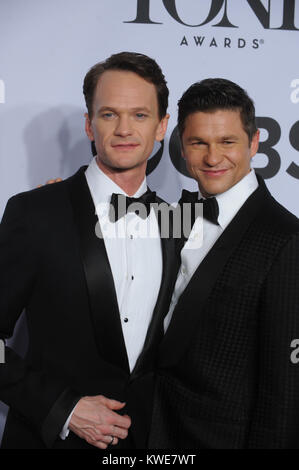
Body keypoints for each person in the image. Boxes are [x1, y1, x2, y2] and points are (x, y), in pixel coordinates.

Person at [0, 52, 175, 449]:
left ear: (163, 126)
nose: (124, 129)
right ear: (88, 124)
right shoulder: (35, 213)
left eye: (141, 115)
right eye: (109, 114)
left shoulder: (178, 223)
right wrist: (62, 408)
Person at [149, 78, 299, 449]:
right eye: (199, 142)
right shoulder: (172, 216)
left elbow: (284, 387)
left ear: (254, 142)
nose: (213, 158)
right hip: (148, 431)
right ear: (181, 146)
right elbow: (106, 227)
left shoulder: (286, 237)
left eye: (227, 142)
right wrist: (55, 204)